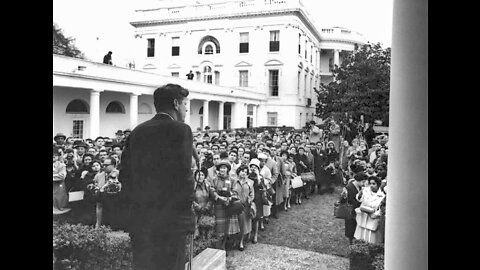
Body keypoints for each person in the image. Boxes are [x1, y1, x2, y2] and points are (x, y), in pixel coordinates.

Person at [119, 83, 195, 270]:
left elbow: (124, 175)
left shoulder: (137, 131)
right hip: (170, 224)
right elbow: (184, 179)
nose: (186, 110)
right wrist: (188, 219)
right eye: (185, 105)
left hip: (141, 221)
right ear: (176, 103)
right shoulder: (181, 130)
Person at [353, 176, 385, 244]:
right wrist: (360, 194)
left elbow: (381, 209)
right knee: (360, 237)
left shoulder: (382, 196)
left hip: (373, 219)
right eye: (370, 183)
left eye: (374, 184)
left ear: (378, 185)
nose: (371, 186)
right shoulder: (365, 190)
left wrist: (374, 214)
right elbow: (359, 199)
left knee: (370, 239)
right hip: (363, 218)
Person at [231, 164, 254, 251]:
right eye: (242, 171)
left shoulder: (250, 182)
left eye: (245, 171)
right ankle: (234, 240)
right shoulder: (234, 181)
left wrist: (249, 199)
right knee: (234, 224)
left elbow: (252, 194)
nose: (243, 173)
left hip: (245, 206)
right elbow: (231, 191)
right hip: (235, 205)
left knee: (242, 224)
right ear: (238, 172)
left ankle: (241, 241)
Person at [342, 172, 367, 244]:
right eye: (363, 181)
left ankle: (354, 239)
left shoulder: (358, 187)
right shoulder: (349, 187)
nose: (363, 184)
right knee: (351, 225)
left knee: (355, 225)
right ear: (358, 180)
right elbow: (348, 200)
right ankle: (351, 241)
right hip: (351, 209)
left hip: (356, 209)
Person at [53, 148, 69, 213]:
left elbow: (62, 176)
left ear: (58, 156)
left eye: (55, 155)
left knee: (57, 198)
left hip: (58, 185)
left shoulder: (61, 165)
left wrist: (55, 176)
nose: (53, 157)